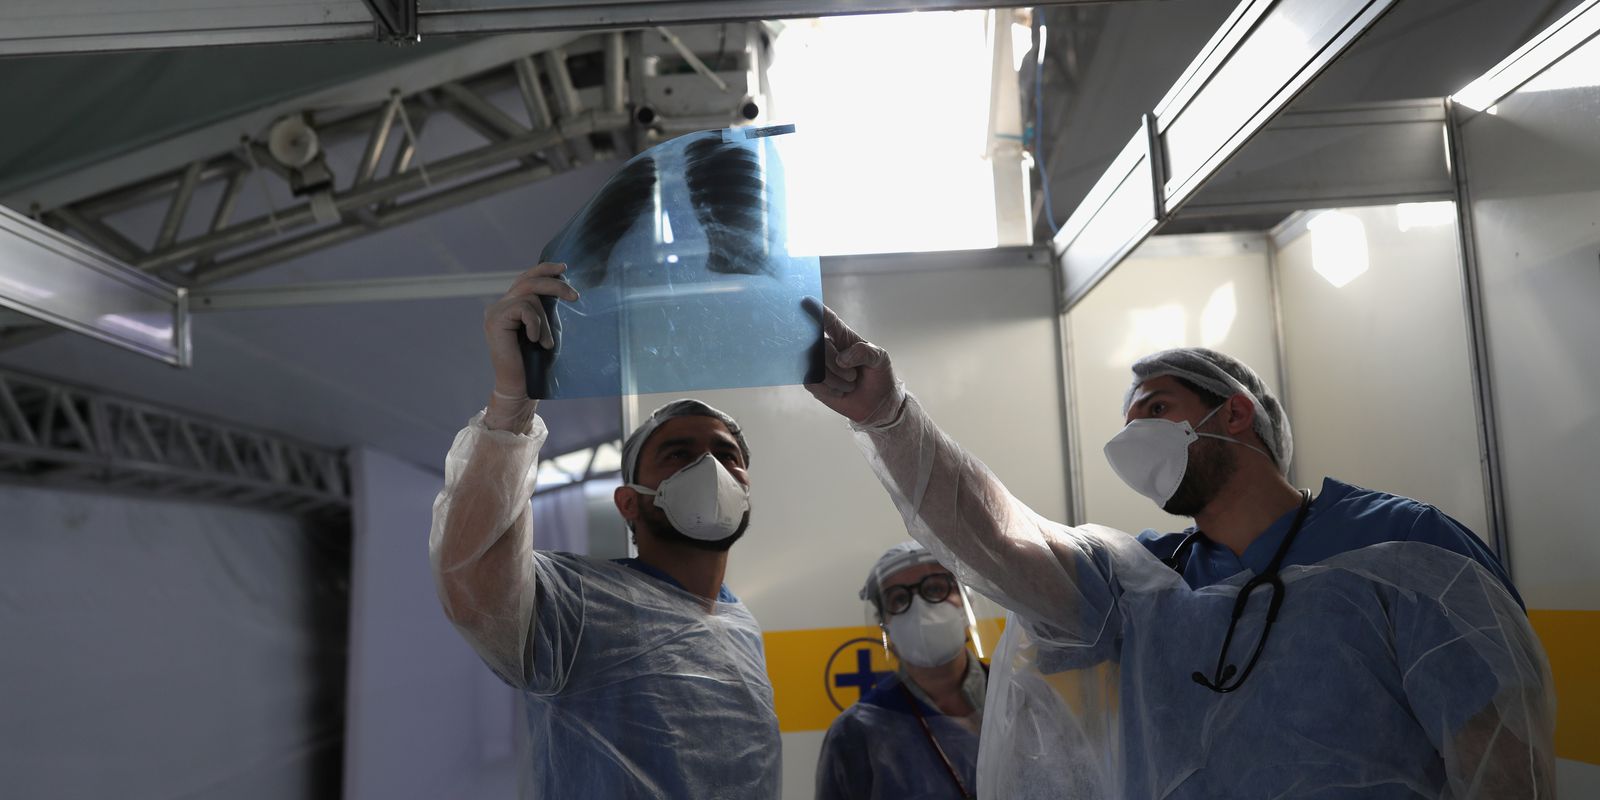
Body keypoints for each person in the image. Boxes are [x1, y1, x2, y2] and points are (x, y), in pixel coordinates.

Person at [801, 298, 1555, 799]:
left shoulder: (1405, 548)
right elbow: (992, 533)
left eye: (1156, 409)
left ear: (1235, 413)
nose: (1136, 439)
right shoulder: (1142, 585)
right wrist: (887, 417)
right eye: (1127, 425)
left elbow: (1500, 764)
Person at [429, 262, 780, 799]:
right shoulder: (577, 606)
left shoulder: (740, 625)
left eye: (726, 454)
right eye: (678, 454)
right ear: (628, 502)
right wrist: (512, 403)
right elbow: (474, 577)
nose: (710, 468)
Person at [816, 541, 986, 800]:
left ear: (966, 602)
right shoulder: (856, 733)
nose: (919, 609)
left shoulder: (1020, 700)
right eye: (899, 599)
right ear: (885, 626)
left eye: (935, 588)